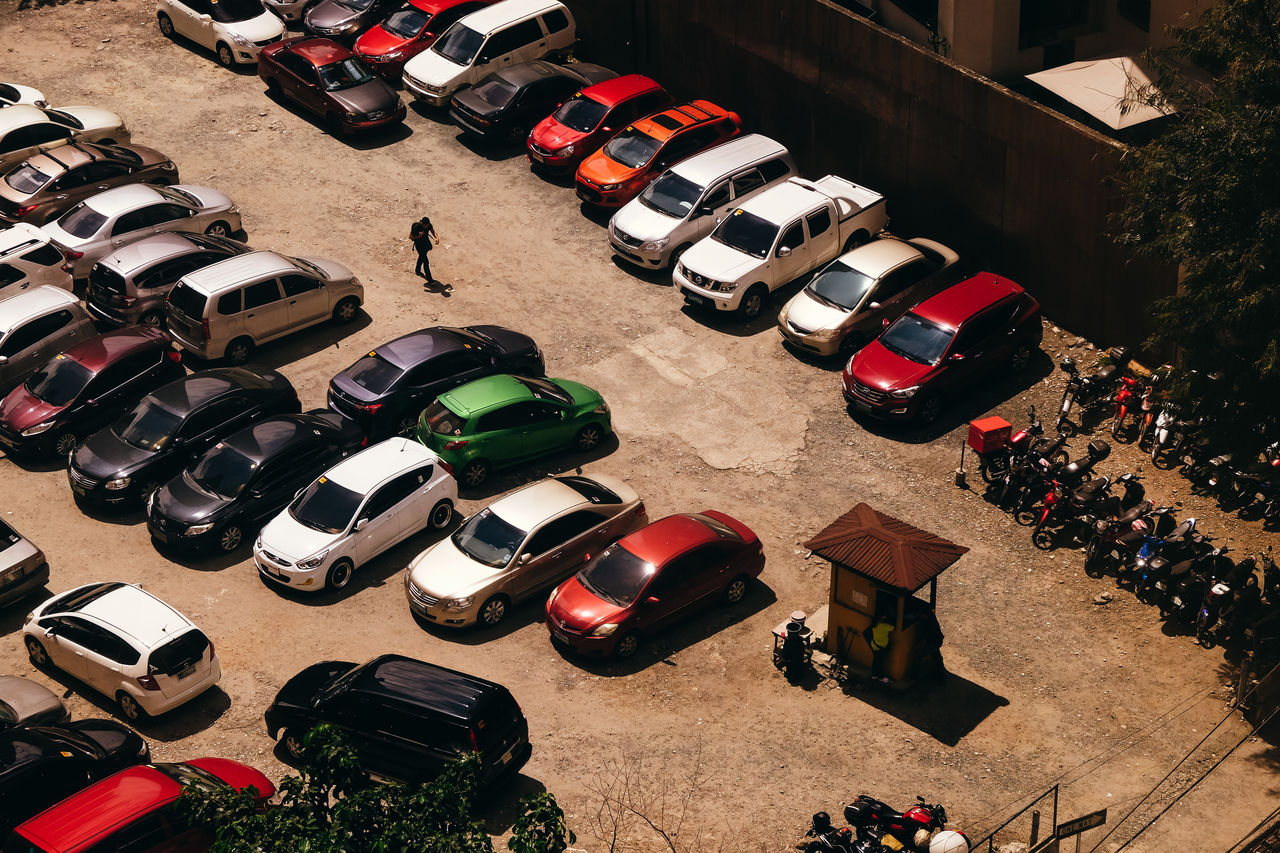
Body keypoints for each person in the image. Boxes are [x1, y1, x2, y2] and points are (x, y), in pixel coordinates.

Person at [863, 601, 896, 683]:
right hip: (882, 648)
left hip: (874, 646)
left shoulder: (874, 625)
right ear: (883, 617)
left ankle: (874, 676)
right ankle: (881, 678)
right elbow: (893, 628)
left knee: (876, 661)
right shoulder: (885, 626)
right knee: (880, 663)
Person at [410, 216, 440, 286]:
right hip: (419, 245)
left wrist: (437, 238)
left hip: (426, 244)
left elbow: (433, 231)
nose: (426, 227)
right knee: (426, 262)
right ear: (422, 223)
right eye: (425, 225)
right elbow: (410, 237)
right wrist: (419, 236)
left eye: (427, 225)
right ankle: (430, 280)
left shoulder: (428, 225)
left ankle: (417, 270)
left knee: (422, 257)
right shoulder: (416, 227)